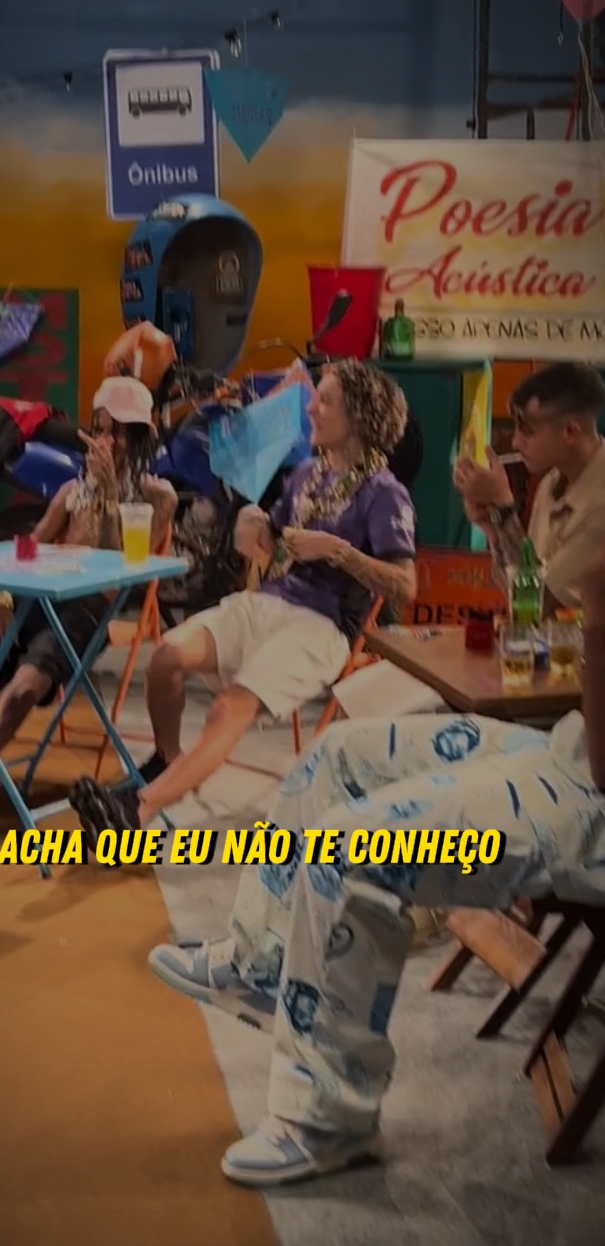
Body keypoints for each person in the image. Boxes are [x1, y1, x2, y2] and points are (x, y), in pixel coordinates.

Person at [145, 547, 605, 1187]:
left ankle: (329, 1120)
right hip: (569, 748)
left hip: (595, 795)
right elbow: (540, 599)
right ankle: (263, 967)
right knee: (337, 756)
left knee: (345, 848)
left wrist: (598, 621)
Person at [69, 359, 418, 837]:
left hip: (323, 627)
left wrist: (339, 552)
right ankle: (168, 765)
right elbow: (272, 541)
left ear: (358, 417)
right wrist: (252, 526)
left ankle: (137, 809)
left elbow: (406, 586)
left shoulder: (385, 493)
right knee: (165, 658)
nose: (310, 408)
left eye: (325, 401)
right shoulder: (307, 475)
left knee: (227, 709)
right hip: (268, 602)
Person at [0, 376, 177, 840]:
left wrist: (106, 496)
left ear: (140, 438)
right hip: (30, 601)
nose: (108, 442)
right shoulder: (70, 493)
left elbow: (117, 569)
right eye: (101, 430)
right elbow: (28, 548)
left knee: (21, 690)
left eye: (121, 432)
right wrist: (2, 598)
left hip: (84, 614)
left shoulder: (157, 497)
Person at [454, 361, 605, 613]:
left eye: (528, 431)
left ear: (570, 431)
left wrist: (503, 509)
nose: (515, 442)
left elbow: (539, 602)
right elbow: (517, 592)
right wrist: (492, 525)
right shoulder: (551, 482)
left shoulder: (599, 503)